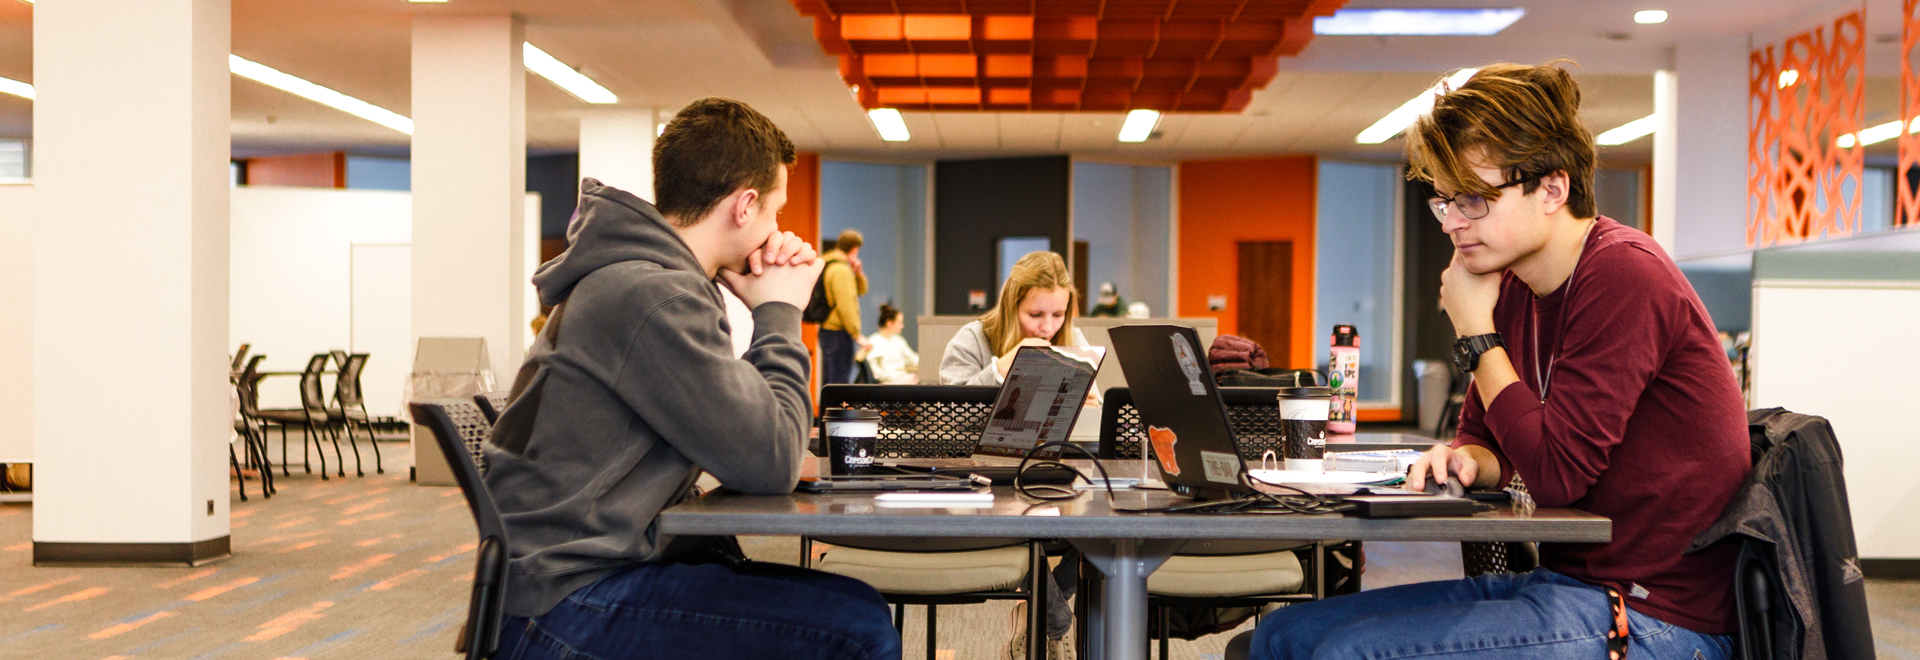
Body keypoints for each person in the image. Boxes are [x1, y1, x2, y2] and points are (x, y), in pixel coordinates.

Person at [1251, 62, 1749, 660]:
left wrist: (1475, 333)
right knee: (1283, 635)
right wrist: (1465, 461)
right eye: (1445, 202)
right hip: (1568, 584)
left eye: (1474, 200)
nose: (1454, 223)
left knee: (1347, 653)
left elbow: (1556, 478)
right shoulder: (1512, 286)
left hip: (1653, 613)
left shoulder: (1623, 275)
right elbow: (1487, 441)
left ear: (1553, 190)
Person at [481, 98, 899, 660]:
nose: (777, 231)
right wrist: (779, 311)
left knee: (858, 607)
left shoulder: (643, 281)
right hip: (567, 600)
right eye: (775, 212)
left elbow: (750, 437)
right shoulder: (654, 296)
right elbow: (772, 460)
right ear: (745, 206)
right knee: (857, 631)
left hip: (573, 575)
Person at [940, 250, 1090, 386]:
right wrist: (1000, 369)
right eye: (1035, 315)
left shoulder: (1074, 339)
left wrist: (1092, 404)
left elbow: (1095, 399)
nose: (1048, 328)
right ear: (1011, 308)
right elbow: (954, 407)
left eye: (1058, 315)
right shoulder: (972, 340)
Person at [818, 229, 869, 384]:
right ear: (854, 249)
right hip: (838, 333)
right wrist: (857, 334)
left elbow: (861, 291)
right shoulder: (840, 270)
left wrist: (858, 273)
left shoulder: (830, 264)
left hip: (829, 331)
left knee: (832, 381)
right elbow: (845, 306)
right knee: (839, 383)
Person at [859, 303, 919, 384]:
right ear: (889, 323)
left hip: (900, 379)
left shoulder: (899, 340)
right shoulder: (874, 342)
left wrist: (927, 362)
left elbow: (911, 358)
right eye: (900, 323)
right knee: (914, 379)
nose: (902, 326)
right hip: (886, 383)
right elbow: (874, 371)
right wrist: (892, 377)